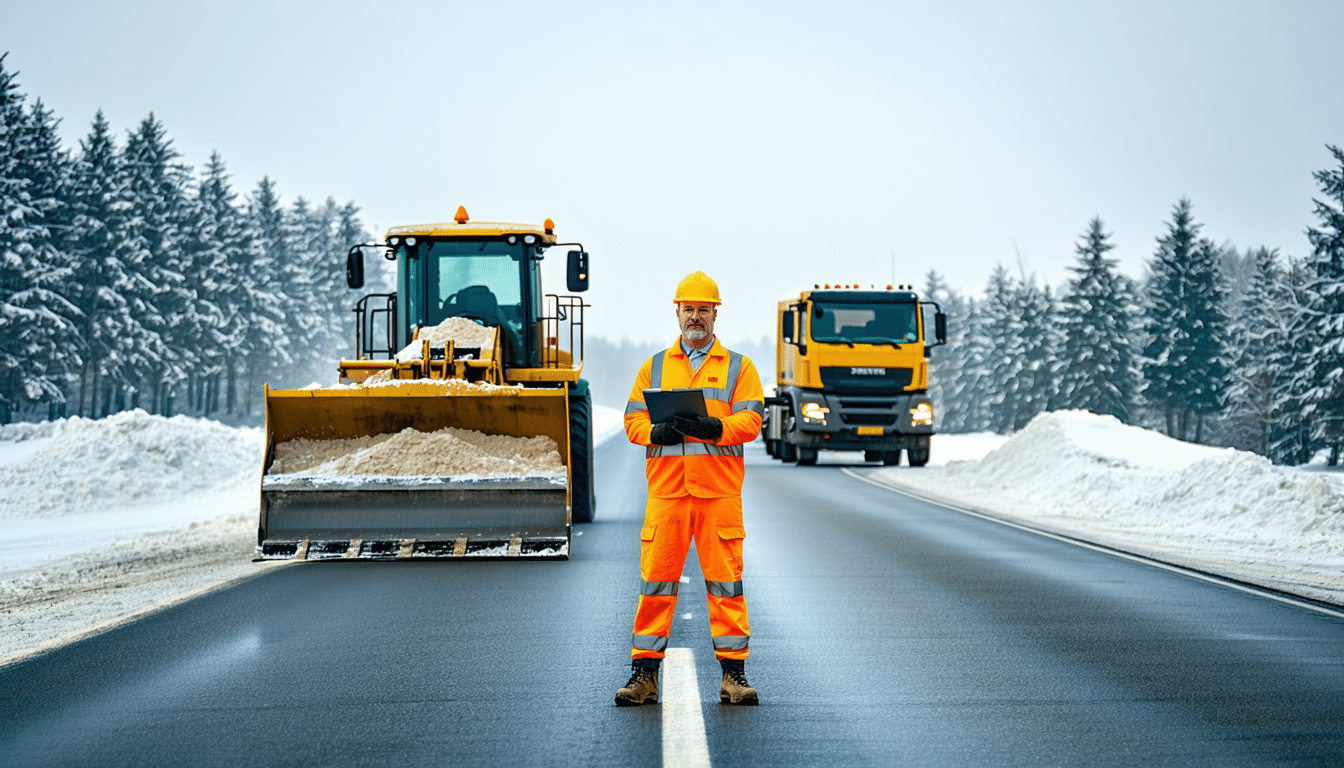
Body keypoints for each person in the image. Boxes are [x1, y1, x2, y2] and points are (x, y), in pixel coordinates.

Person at [614, 271, 765, 707]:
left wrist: (713, 426)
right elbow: (632, 421)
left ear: (715, 314)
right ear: (676, 312)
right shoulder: (655, 366)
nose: (695, 317)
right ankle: (644, 677)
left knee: (726, 587)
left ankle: (733, 677)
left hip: (718, 496)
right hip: (668, 496)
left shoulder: (739, 367)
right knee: (656, 586)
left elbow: (751, 421)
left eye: (703, 309)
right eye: (689, 309)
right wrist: (656, 432)